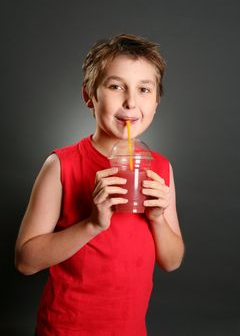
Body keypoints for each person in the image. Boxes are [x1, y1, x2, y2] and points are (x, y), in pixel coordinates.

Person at [15, 33, 185, 336]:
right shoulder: (61, 165)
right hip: (65, 328)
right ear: (89, 96)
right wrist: (92, 224)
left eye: (144, 89)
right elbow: (25, 262)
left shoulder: (161, 169)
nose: (131, 101)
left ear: (157, 101)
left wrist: (158, 218)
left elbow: (172, 262)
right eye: (116, 86)